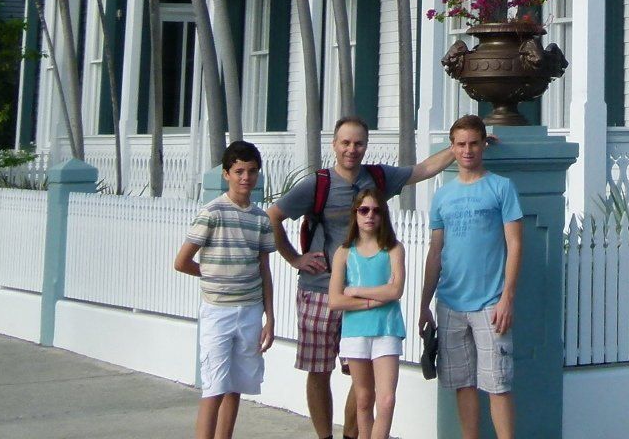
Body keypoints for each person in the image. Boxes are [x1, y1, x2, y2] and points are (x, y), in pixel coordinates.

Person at [268, 117, 457, 439]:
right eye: (345, 143)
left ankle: (352, 435)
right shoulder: (318, 184)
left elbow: (420, 171)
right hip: (319, 290)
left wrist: (459, 148)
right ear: (335, 145)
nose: (351, 150)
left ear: (365, 146)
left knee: (362, 378)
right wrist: (294, 258)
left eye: (358, 143)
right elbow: (273, 215)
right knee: (319, 370)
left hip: (364, 294)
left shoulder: (378, 177)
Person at [421, 115, 522, 439]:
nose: (467, 150)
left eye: (473, 143)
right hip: (450, 304)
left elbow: (515, 243)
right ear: (452, 148)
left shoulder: (501, 187)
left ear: (483, 144)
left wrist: (507, 297)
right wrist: (425, 303)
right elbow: (436, 252)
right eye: (461, 144)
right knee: (462, 384)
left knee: (498, 384)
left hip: (490, 304)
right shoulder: (442, 196)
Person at [175, 140, 276, 439]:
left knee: (236, 386)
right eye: (239, 171)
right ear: (226, 174)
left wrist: (269, 316)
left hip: (250, 311)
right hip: (218, 311)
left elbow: (264, 268)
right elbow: (182, 262)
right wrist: (213, 277)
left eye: (252, 171)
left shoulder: (260, 218)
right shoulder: (212, 212)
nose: (246, 178)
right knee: (214, 387)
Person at [328, 193, 406, 439]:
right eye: (364, 210)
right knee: (363, 398)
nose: (370, 215)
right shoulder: (344, 252)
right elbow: (335, 300)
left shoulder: (394, 249)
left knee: (386, 400)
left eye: (376, 210)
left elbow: (395, 290)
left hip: (387, 329)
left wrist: (357, 292)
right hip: (356, 331)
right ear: (355, 214)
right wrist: (375, 300)